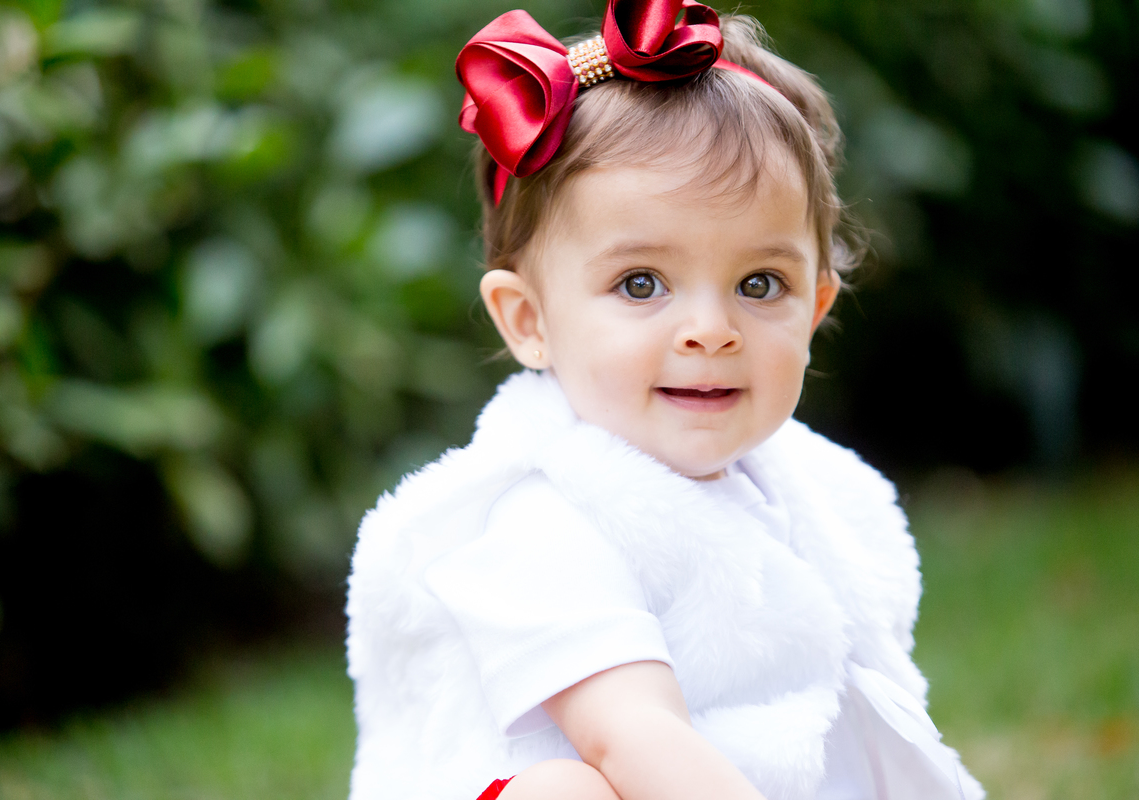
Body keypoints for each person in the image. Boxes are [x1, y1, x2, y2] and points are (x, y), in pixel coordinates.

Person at [345, 2, 985, 799]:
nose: (710, 331)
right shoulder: (541, 522)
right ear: (530, 321)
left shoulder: (814, 499)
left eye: (760, 284)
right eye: (641, 284)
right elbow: (634, 736)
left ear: (816, 308)